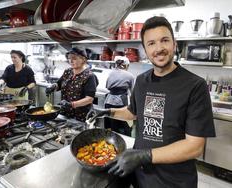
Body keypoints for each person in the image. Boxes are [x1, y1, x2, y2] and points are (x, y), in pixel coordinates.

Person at [86, 16, 216, 187]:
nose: (159, 48)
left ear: (174, 43)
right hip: (141, 175)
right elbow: (133, 113)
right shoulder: (141, 81)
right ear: (146, 50)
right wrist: (107, 112)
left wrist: (144, 155)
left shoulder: (195, 86)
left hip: (174, 181)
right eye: (151, 43)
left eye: (164, 40)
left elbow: (195, 147)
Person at [45, 47, 97, 122]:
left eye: (74, 58)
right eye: (69, 58)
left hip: (81, 115)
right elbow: (59, 84)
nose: (71, 61)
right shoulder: (68, 71)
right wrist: (53, 86)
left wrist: (72, 104)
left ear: (83, 60)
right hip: (65, 113)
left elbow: (89, 99)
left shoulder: (89, 76)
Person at [104, 56, 134, 136]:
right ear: (126, 65)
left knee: (113, 124)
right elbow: (132, 91)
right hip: (121, 101)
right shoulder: (129, 75)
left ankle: (114, 138)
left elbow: (107, 86)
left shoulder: (110, 73)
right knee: (125, 123)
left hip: (109, 100)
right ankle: (127, 139)